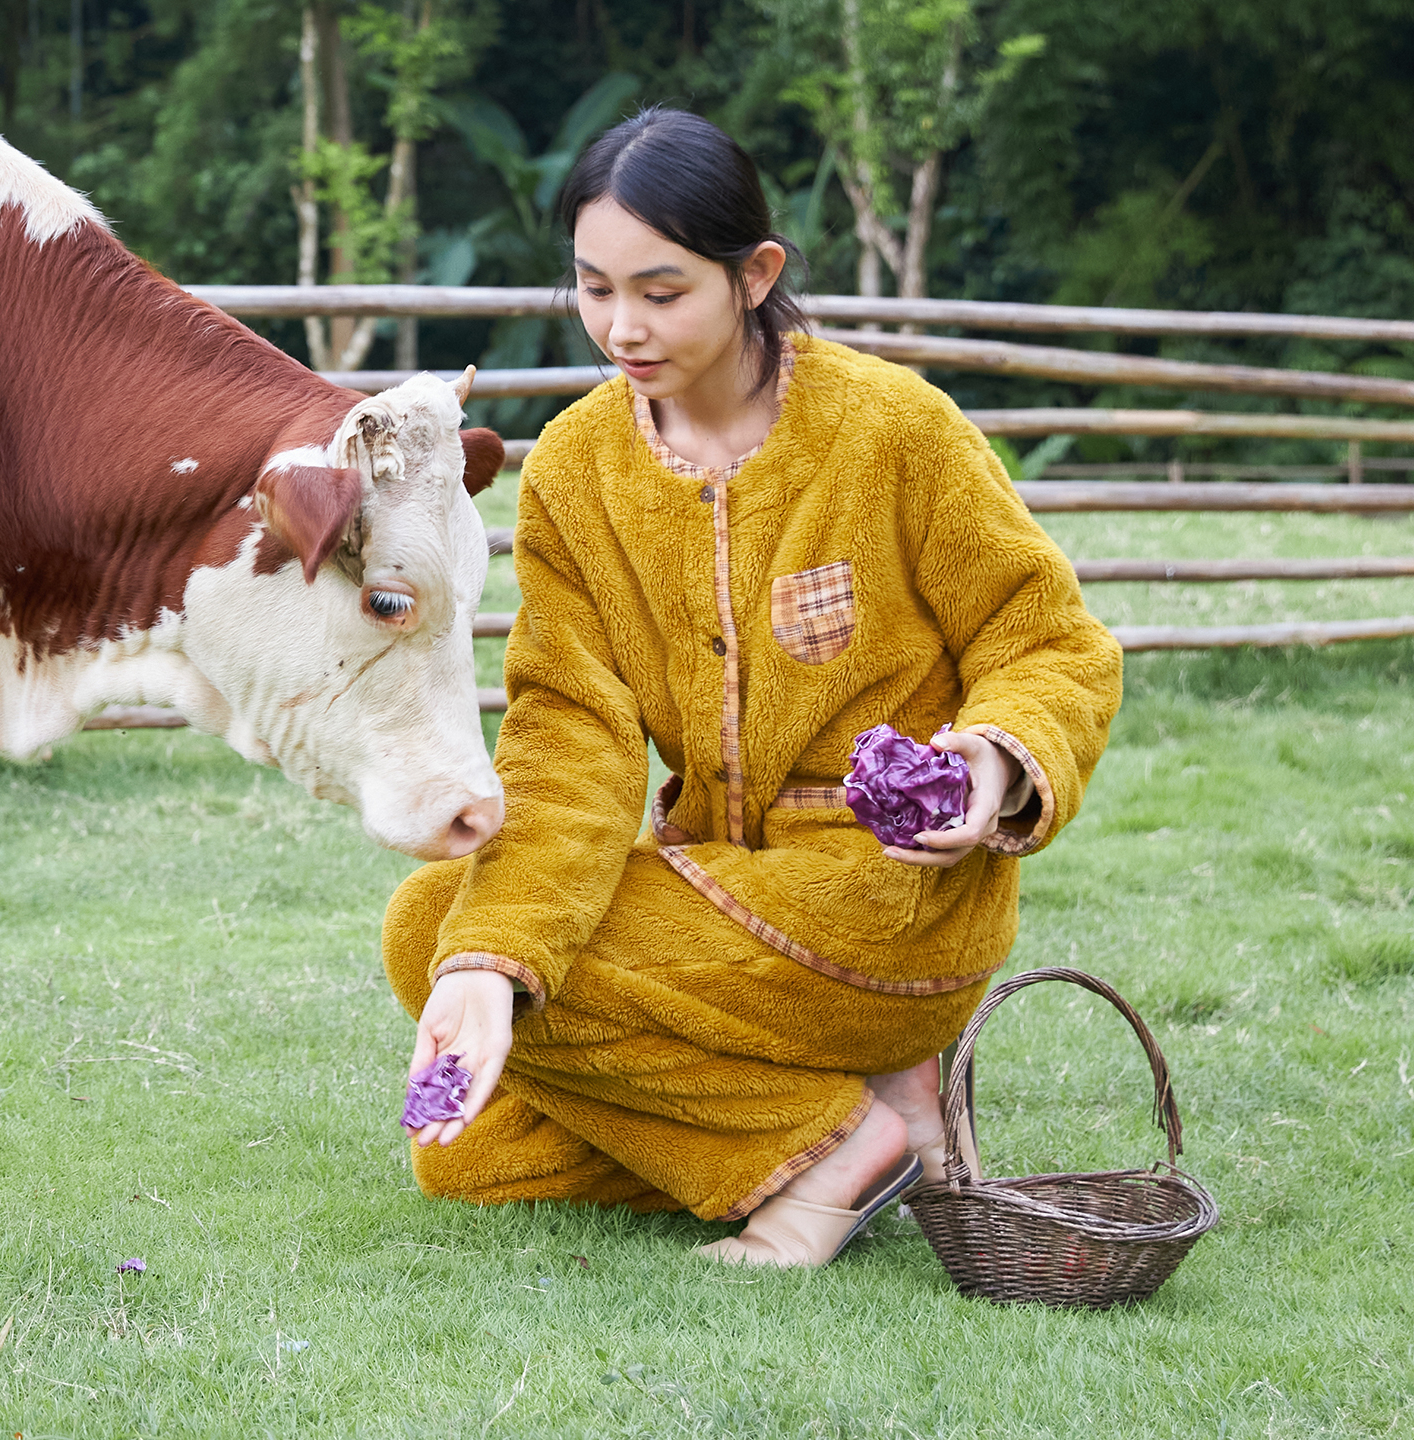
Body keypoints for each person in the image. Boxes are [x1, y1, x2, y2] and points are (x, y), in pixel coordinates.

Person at [381, 107, 1122, 1267]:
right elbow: (569, 732)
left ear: (755, 273)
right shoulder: (576, 468)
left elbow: (1051, 640)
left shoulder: (893, 430)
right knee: (472, 1150)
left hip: (891, 901)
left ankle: (835, 1153)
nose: (622, 326)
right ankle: (878, 1114)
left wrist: (991, 757)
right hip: (715, 886)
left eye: (662, 291)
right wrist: (493, 962)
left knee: (432, 924)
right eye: (593, 289)